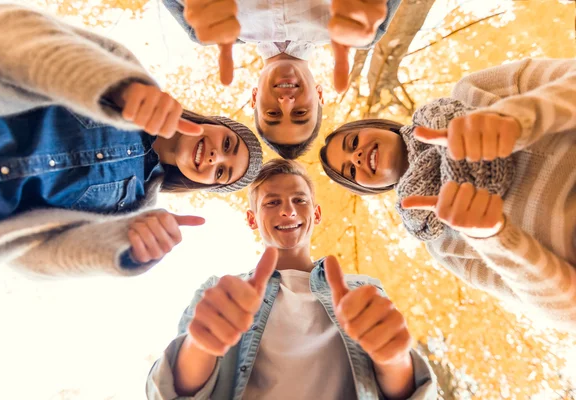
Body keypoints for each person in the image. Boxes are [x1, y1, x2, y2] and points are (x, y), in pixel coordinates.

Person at [0, 4, 262, 275]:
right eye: (227, 144)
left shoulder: (133, 210)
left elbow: (35, 259)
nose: (216, 158)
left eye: (221, 172)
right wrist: (115, 86)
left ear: (205, 184)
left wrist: (124, 250)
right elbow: (5, 28)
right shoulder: (127, 80)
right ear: (213, 123)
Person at [319, 58, 576, 332]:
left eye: (353, 142)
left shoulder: (474, 91)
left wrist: (519, 119)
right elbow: (567, 313)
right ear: (369, 190)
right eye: (349, 170)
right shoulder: (444, 243)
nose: (356, 156)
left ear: (380, 126)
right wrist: (494, 238)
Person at [146, 159, 436, 399]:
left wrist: (394, 359)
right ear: (252, 218)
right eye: (272, 202)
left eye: (300, 200)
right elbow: (166, 391)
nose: (288, 210)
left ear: (316, 212)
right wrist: (202, 345)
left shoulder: (363, 291)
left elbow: (406, 389)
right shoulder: (220, 294)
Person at [163, 0, 402, 159]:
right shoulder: (363, 29)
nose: (286, 101)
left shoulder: (207, 27)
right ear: (319, 95)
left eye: (272, 114)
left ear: (255, 97)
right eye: (300, 113)